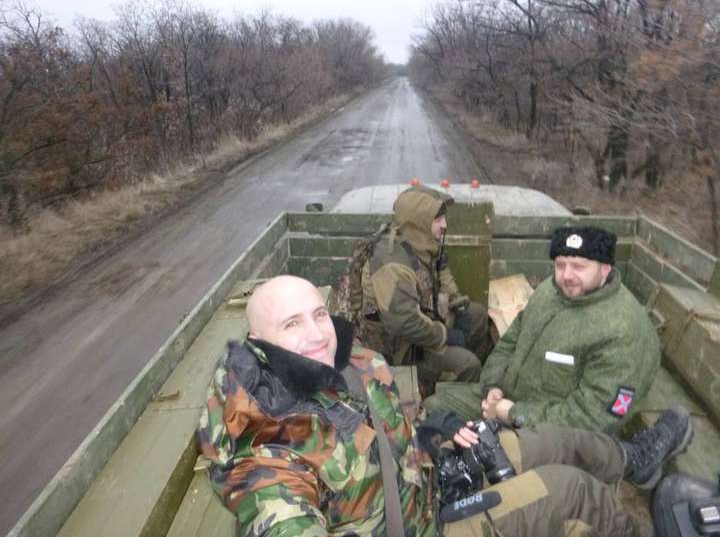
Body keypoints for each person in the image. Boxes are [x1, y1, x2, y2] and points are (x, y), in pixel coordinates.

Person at [198, 275, 691, 536]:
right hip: (426, 526)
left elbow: (391, 431)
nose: (316, 334)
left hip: (429, 479)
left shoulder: (351, 364)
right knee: (570, 492)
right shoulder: (265, 451)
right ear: (258, 342)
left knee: (554, 440)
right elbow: (281, 518)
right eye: (292, 324)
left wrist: (433, 434)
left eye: (319, 314)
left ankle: (632, 461)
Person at [424, 225, 661, 433]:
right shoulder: (550, 290)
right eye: (560, 265)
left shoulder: (623, 332)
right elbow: (511, 340)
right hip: (506, 399)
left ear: (605, 269)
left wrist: (513, 413)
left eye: (579, 267)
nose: (566, 276)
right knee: (431, 409)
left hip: (554, 433)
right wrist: (493, 385)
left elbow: (593, 418)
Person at [356, 184, 488, 392]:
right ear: (418, 221)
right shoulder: (394, 265)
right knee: (468, 365)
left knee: (477, 314)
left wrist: (457, 302)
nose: (445, 225)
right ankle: (445, 402)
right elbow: (404, 324)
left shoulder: (420, 242)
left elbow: (440, 271)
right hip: (400, 349)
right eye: (438, 219)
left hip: (424, 320)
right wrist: (445, 336)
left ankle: (458, 377)